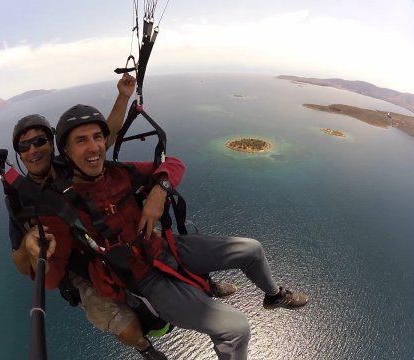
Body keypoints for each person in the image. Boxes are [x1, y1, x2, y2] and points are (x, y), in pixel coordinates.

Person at [23, 104, 309, 360]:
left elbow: (173, 164)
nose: (94, 146)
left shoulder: (119, 172)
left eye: (97, 137)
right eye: (81, 140)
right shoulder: (63, 205)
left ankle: (274, 296)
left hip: (166, 248)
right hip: (146, 280)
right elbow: (51, 279)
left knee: (251, 249)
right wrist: (33, 249)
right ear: (68, 152)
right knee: (236, 328)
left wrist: (160, 190)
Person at [6, 75, 236, 359]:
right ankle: (146, 348)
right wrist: (30, 245)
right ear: (18, 154)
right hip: (78, 262)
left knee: (179, 243)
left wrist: (123, 96)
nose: (33, 149)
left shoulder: (68, 164)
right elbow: (20, 262)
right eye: (24, 146)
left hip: (111, 235)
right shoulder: (21, 199)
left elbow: (106, 137)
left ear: (52, 144)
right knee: (121, 322)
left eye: (39, 140)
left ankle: (206, 285)